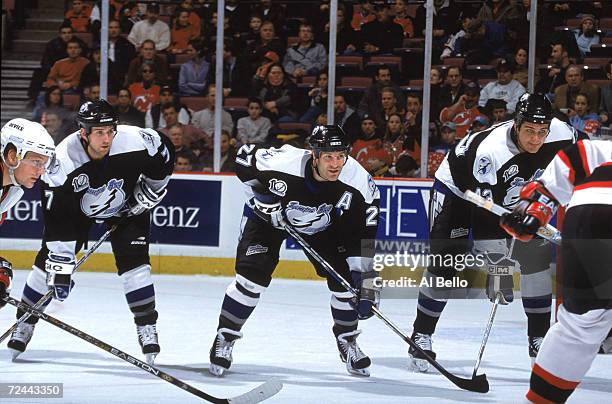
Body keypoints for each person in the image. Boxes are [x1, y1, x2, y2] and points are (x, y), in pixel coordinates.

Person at [408, 93, 586, 372]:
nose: (536, 139)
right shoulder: (491, 152)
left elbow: (589, 157)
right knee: (446, 263)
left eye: (542, 132)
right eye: (529, 131)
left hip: (511, 198)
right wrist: (498, 271)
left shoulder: (563, 132)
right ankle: (421, 336)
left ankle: (538, 340)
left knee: (535, 262)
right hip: (459, 191)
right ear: (516, 125)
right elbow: (486, 217)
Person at [7, 100, 175, 366]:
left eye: (110, 131)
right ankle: (25, 321)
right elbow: (58, 217)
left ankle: (146, 326)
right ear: (83, 132)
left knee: (137, 267)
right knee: (44, 266)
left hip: (126, 206)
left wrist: (152, 188)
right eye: (99, 132)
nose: (107, 138)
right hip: (76, 214)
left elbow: (165, 153)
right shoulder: (61, 161)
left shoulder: (137, 141)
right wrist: (61, 262)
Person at [207, 125, 380, 377]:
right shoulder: (283, 163)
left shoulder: (358, 182)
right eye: (328, 157)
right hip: (268, 220)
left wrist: (365, 280)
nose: (335, 164)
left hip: (321, 225)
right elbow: (243, 158)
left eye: (340, 156)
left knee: (346, 285)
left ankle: (348, 341)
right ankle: (225, 337)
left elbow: (362, 234)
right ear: (314, 155)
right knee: (250, 280)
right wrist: (260, 199)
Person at [499, 139, 611, 403]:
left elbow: (569, 160)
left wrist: (532, 208)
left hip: (590, 213)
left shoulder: (600, 149)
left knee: (580, 325)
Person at [1, 119, 56, 310]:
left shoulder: (11, 191)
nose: (41, 171)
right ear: (12, 155)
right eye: (35, 162)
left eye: (44, 164)